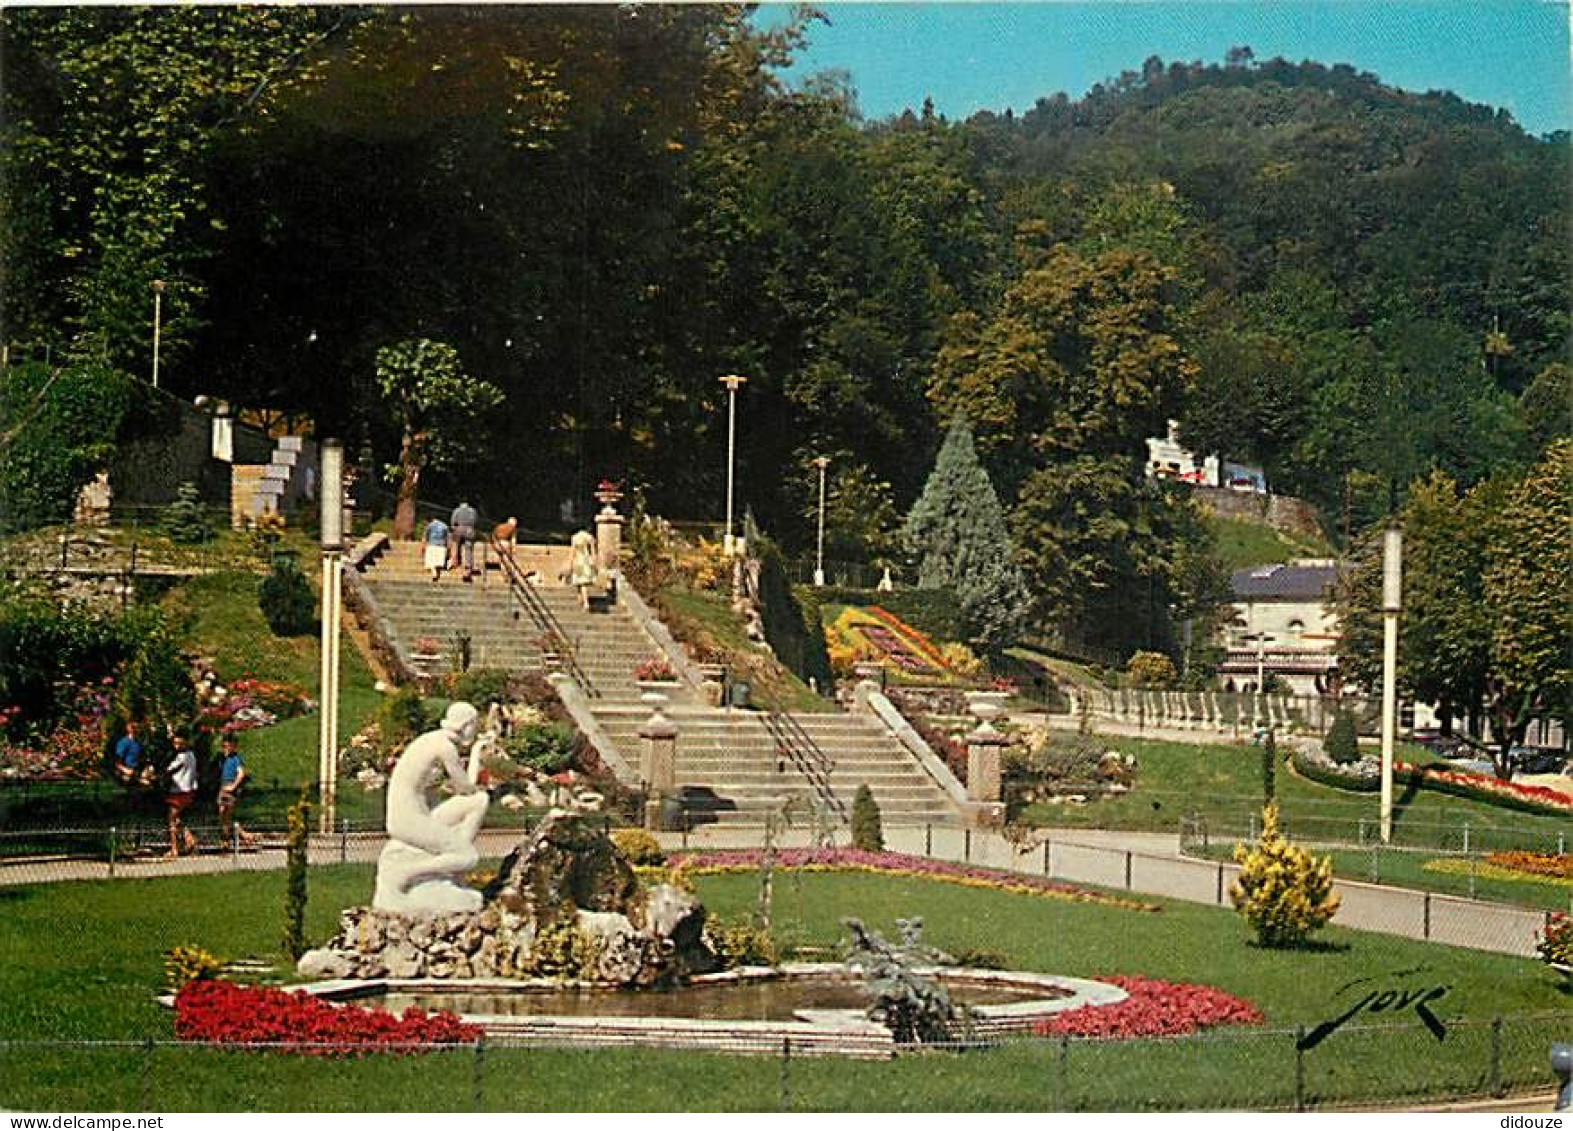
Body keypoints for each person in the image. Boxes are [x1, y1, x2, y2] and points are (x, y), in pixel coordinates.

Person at [216, 734, 258, 848]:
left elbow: (241, 773)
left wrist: (233, 786)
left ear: (234, 747)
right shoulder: (223, 759)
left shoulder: (235, 759)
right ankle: (242, 835)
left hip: (230, 788)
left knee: (226, 814)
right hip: (223, 787)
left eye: (228, 747)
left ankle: (227, 839)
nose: (226, 749)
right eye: (224, 746)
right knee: (222, 814)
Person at [164, 733, 199, 859]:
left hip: (179, 792)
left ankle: (174, 849)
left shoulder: (181, 757)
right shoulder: (192, 755)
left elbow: (169, 771)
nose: (177, 746)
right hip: (189, 790)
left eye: (180, 743)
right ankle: (189, 838)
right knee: (177, 818)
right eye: (175, 743)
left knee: (172, 820)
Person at [112, 720, 151, 786]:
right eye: (134, 727)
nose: (137, 730)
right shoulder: (123, 742)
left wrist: (146, 769)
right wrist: (126, 770)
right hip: (127, 773)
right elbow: (117, 762)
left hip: (139, 771)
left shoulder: (139, 743)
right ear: (129, 729)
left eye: (138, 728)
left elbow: (144, 758)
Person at [569, 529, 597, 611]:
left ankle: (585, 602)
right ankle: (581, 599)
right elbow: (593, 551)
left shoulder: (575, 537)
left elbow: (572, 551)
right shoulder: (589, 537)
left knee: (580, 582)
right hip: (586, 560)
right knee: (582, 582)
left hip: (578, 561)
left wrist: (570, 562)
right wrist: (594, 560)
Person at [450, 501, 479, 581]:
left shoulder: (457, 510)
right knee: (468, 549)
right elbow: (475, 522)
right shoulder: (472, 511)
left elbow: (453, 522)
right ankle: (468, 567)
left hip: (459, 529)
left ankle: (455, 562)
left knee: (455, 545)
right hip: (469, 530)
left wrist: (455, 528)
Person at [422, 515, 450, 583]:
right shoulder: (445, 526)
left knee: (431, 561)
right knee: (439, 563)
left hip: (432, 545)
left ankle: (434, 573)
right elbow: (447, 538)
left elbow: (425, 536)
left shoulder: (430, 525)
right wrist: (448, 547)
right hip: (442, 545)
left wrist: (423, 546)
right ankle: (437, 575)